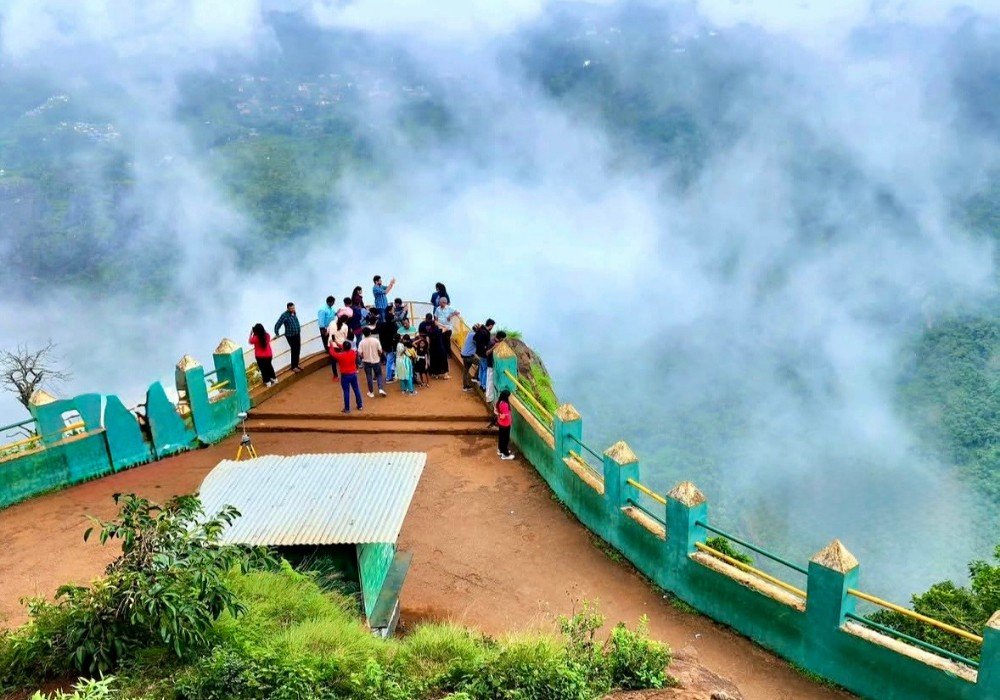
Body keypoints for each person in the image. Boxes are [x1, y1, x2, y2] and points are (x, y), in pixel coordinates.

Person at [329, 340, 363, 413]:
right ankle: (360, 405)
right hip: (353, 374)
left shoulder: (341, 355)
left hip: (345, 376)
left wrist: (331, 344)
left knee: (346, 392)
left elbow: (332, 353)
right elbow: (346, 348)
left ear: (344, 348)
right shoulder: (353, 352)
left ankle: (347, 409)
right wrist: (337, 343)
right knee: (356, 389)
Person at [434, 297, 460, 376]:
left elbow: (458, 312)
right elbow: (435, 317)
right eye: (440, 302)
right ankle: (444, 352)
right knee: (441, 340)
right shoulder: (438, 309)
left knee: (446, 339)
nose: (440, 303)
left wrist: (450, 316)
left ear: (444, 302)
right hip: (440, 327)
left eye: (441, 302)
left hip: (448, 327)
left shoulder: (449, 308)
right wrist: (437, 323)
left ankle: (448, 353)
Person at [358, 328, 387, 398]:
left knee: (369, 376)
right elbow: (380, 351)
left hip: (366, 361)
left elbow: (360, 354)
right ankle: (380, 388)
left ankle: (371, 392)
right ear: (370, 333)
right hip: (376, 360)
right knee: (379, 375)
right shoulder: (376, 340)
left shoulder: (361, 342)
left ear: (363, 334)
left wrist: (363, 358)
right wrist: (379, 356)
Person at [274, 302, 302, 372]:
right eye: (291, 308)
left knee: (298, 349)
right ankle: (293, 367)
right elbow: (277, 324)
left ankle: (297, 364)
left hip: (297, 334)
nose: (293, 309)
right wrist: (277, 333)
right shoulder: (284, 315)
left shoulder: (294, 313)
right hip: (290, 335)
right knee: (294, 350)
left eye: (293, 308)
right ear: (288, 308)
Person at [485, 330, 507, 403]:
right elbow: (487, 353)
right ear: (500, 338)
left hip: (492, 365)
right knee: (490, 381)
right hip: (491, 365)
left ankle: (489, 397)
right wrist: (494, 347)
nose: (503, 340)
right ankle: (489, 398)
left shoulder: (494, 341)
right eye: (503, 338)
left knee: (490, 381)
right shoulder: (493, 343)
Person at [318, 296, 337, 376]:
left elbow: (334, 314)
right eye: (333, 302)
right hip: (325, 328)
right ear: (330, 302)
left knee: (332, 341)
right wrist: (323, 330)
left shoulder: (331, 308)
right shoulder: (323, 309)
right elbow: (321, 320)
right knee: (327, 343)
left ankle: (332, 355)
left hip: (331, 327)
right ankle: (331, 357)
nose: (334, 303)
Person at [474, 319, 495, 390]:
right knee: (485, 369)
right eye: (492, 326)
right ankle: (483, 386)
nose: (492, 328)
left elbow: (474, 338)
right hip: (484, 354)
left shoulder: (480, 329)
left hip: (478, 353)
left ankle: (480, 382)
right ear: (491, 325)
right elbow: (487, 344)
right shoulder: (487, 333)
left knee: (481, 368)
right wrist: (484, 346)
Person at [377, 314, 398, 382]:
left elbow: (380, 336)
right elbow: (396, 336)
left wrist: (382, 346)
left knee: (390, 360)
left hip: (385, 345)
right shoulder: (393, 325)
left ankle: (392, 373)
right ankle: (389, 377)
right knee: (390, 360)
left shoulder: (382, 325)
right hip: (392, 345)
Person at [460, 323, 481, 391]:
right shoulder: (475, 336)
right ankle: (475, 377)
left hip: (463, 354)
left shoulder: (470, 333)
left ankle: (465, 387)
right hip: (469, 356)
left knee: (466, 371)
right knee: (481, 363)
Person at [495, 389, 514, 460]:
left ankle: (500, 450)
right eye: (508, 396)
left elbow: (497, 412)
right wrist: (502, 415)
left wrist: (499, 414)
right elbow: (503, 416)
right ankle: (505, 454)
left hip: (501, 423)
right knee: (505, 439)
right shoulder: (505, 405)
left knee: (501, 437)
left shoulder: (499, 402)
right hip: (505, 424)